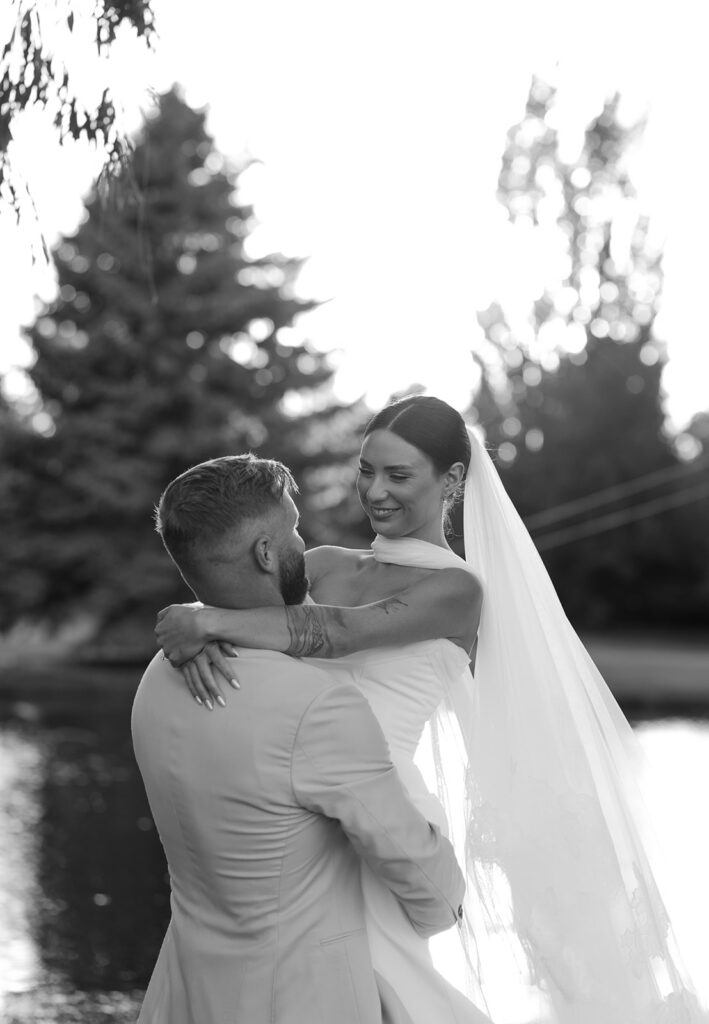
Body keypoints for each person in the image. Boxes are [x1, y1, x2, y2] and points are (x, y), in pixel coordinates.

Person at [156, 395, 704, 1023]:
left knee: (377, 985)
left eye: (399, 475)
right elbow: (250, 601)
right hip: (289, 797)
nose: (376, 491)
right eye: (366, 470)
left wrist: (201, 620)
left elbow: (334, 633)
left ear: (451, 481)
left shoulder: (456, 590)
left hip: (378, 803)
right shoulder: (322, 564)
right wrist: (199, 633)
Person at [132, 453, 468, 1024]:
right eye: (292, 528)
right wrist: (455, 899)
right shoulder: (317, 705)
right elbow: (427, 887)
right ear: (266, 552)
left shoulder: (159, 676)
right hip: (294, 1000)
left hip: (182, 992)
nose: (301, 543)